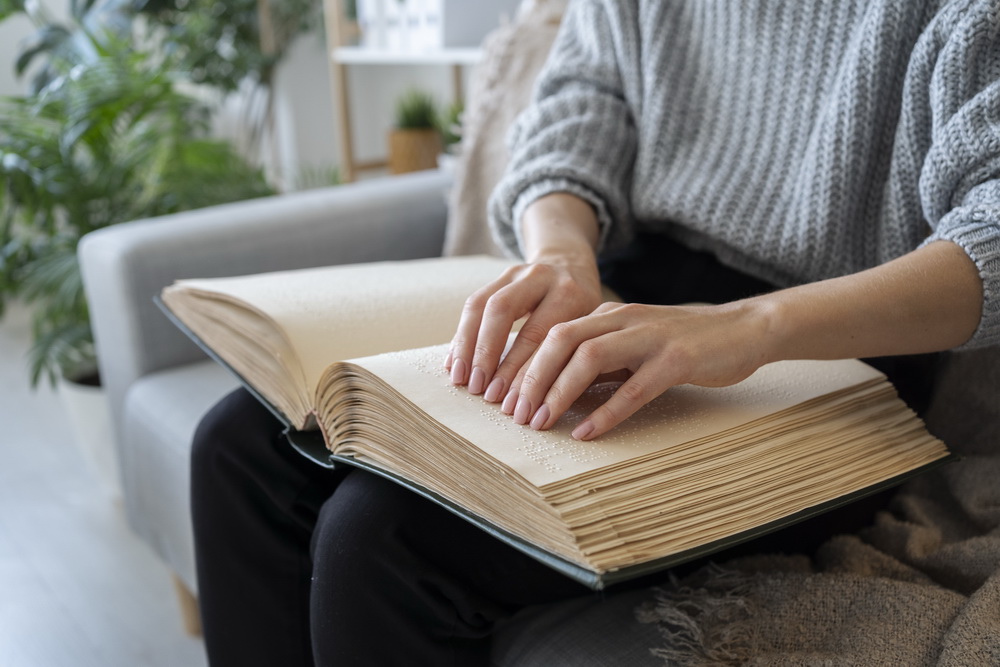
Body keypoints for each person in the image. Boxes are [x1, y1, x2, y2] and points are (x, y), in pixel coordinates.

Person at [190, 1, 1000, 665]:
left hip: (828, 343)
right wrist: (561, 254)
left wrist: (751, 326)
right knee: (236, 444)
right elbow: (579, 107)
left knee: (380, 535)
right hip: (628, 288)